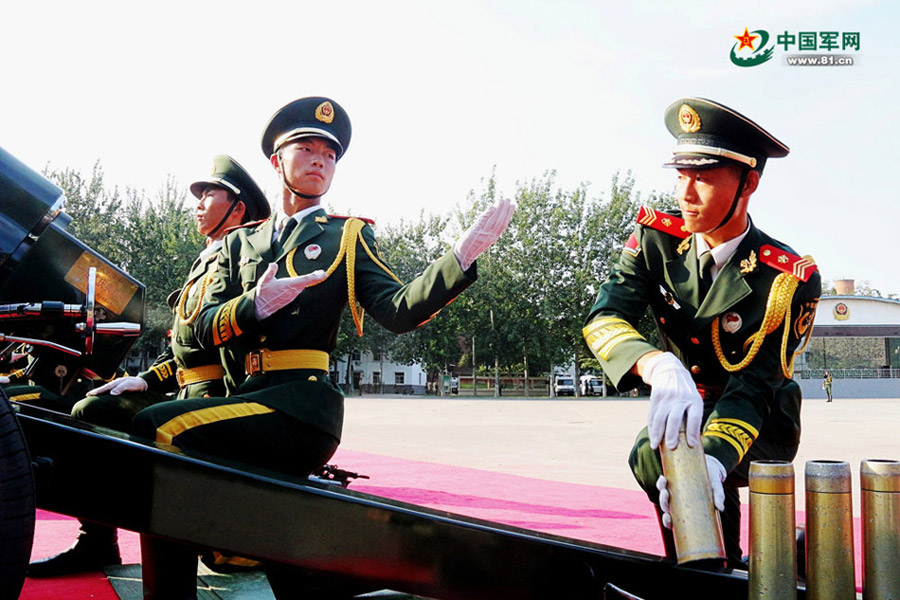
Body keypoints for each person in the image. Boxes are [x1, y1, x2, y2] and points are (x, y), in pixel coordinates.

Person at [130, 96, 514, 599]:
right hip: (244, 399)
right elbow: (196, 329)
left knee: (153, 427)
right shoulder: (237, 244)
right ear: (277, 162)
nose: (320, 160)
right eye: (306, 148)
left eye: (330, 154)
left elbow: (397, 310)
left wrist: (459, 259)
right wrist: (254, 307)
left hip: (300, 405)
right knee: (285, 551)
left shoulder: (346, 237)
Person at [582, 97, 821, 568]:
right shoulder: (656, 239)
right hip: (683, 401)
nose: (686, 195)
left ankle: (721, 565)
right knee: (652, 453)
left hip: (759, 416)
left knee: (691, 457)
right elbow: (604, 317)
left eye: (704, 179)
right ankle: (703, 565)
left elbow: (755, 383)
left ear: (748, 183)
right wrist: (655, 362)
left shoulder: (786, 277)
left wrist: (710, 456)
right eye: (681, 175)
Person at [27, 155, 270, 578]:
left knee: (89, 414)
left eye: (209, 194)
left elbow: (227, 337)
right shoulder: (207, 261)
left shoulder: (246, 261)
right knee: (81, 404)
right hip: (186, 392)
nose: (197, 203)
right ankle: (97, 539)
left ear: (238, 209)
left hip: (218, 399)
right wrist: (141, 379)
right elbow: (181, 351)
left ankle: (100, 541)